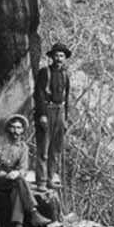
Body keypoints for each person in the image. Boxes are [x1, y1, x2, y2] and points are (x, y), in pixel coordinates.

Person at [0, 114, 56, 227]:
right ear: (8, 128)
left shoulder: (23, 147)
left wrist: (17, 173)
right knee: (19, 182)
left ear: (22, 130)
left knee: (18, 188)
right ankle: (33, 212)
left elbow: (23, 168)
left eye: (18, 128)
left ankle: (17, 226)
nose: (15, 131)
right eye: (12, 127)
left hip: (10, 180)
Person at [32, 41, 72, 188]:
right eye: (57, 55)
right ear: (52, 57)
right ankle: (41, 181)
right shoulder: (45, 72)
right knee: (43, 148)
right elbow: (38, 94)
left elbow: (66, 97)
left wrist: (65, 119)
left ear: (65, 58)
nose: (59, 59)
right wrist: (42, 114)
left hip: (60, 112)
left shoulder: (65, 75)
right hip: (47, 110)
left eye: (61, 56)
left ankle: (50, 179)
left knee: (56, 149)